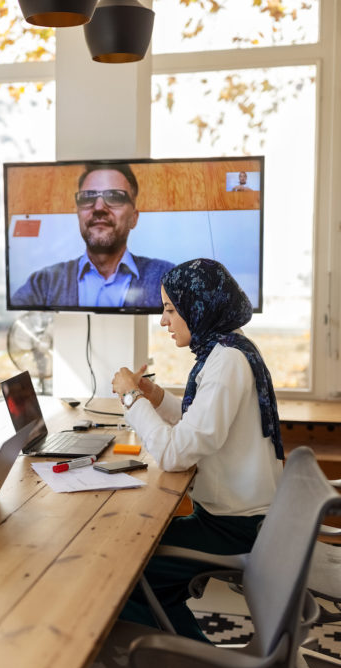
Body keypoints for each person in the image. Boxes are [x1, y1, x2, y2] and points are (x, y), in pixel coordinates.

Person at [110, 258, 284, 640]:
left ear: (198, 306)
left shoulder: (226, 364)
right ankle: (193, 659)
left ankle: (195, 667)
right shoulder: (227, 350)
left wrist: (131, 398)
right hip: (238, 519)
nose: (163, 320)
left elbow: (174, 454)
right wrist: (155, 398)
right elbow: (201, 427)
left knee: (125, 573)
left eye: (170, 309)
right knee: (146, 568)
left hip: (237, 529)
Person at [11, 163, 174, 308]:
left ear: (134, 218)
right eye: (88, 197)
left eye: (114, 196)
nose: (98, 207)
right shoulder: (43, 283)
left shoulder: (167, 278)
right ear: (78, 215)